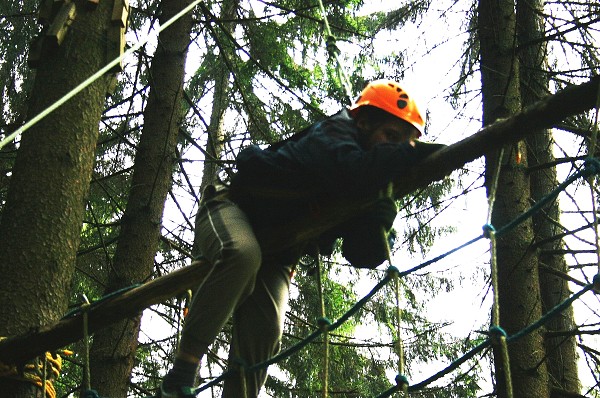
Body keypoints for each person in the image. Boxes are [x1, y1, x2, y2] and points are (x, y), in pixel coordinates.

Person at [160, 80, 446, 398]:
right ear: (363, 122)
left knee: (266, 327)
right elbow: (353, 170)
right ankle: (183, 372)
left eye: (403, 144)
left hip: (280, 249)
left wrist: (379, 222)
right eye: (391, 137)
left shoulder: (371, 180)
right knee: (242, 254)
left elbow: (360, 253)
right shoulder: (334, 134)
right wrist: (416, 156)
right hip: (230, 209)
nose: (394, 149)